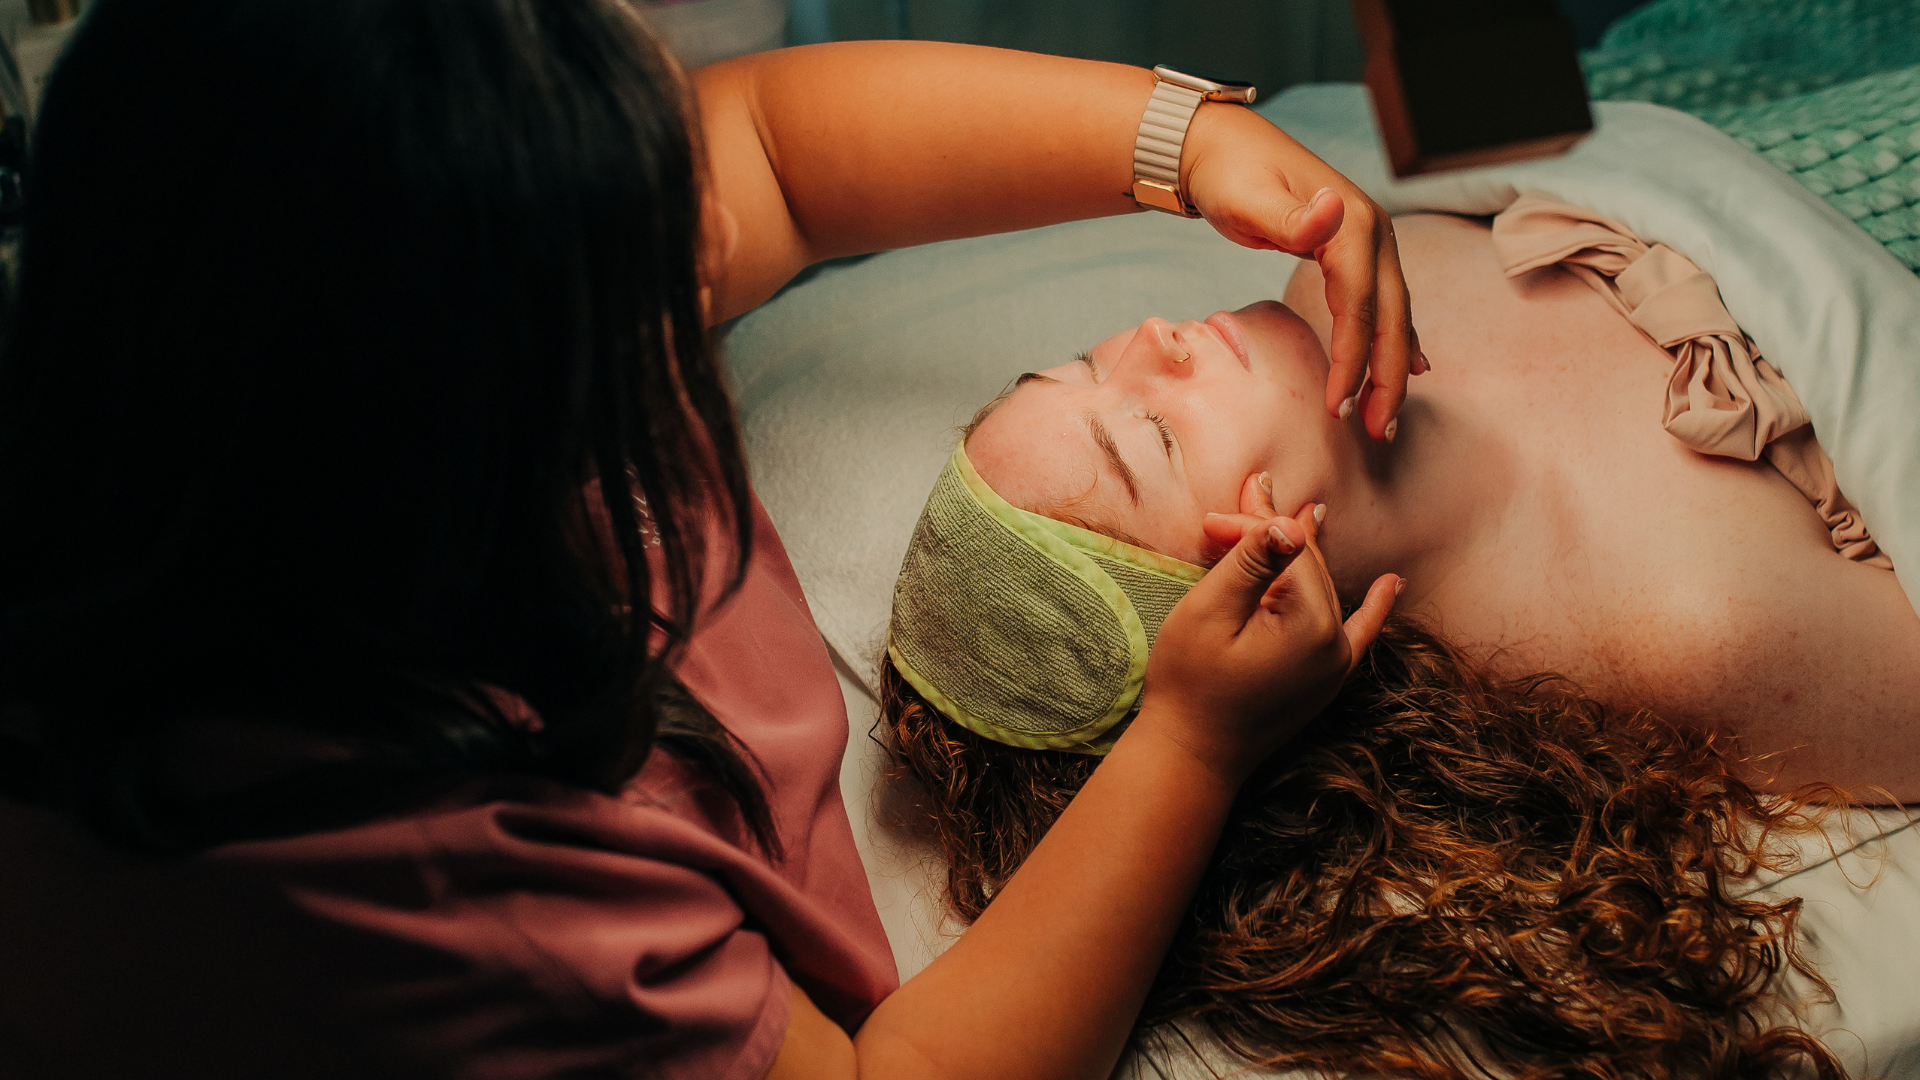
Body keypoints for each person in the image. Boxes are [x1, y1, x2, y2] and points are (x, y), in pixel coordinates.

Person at [0, 2, 1426, 1079]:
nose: (719, 243)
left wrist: (1186, 141)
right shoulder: (478, 910)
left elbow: (774, 156)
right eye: (664, 268)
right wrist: (1191, 743)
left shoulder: (340, 336)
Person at [879, 204, 1920, 1077]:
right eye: (1151, 434)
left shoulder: (1351, 269)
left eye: (1086, 362)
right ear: (1265, 594)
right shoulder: (1691, 631)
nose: (1156, 336)